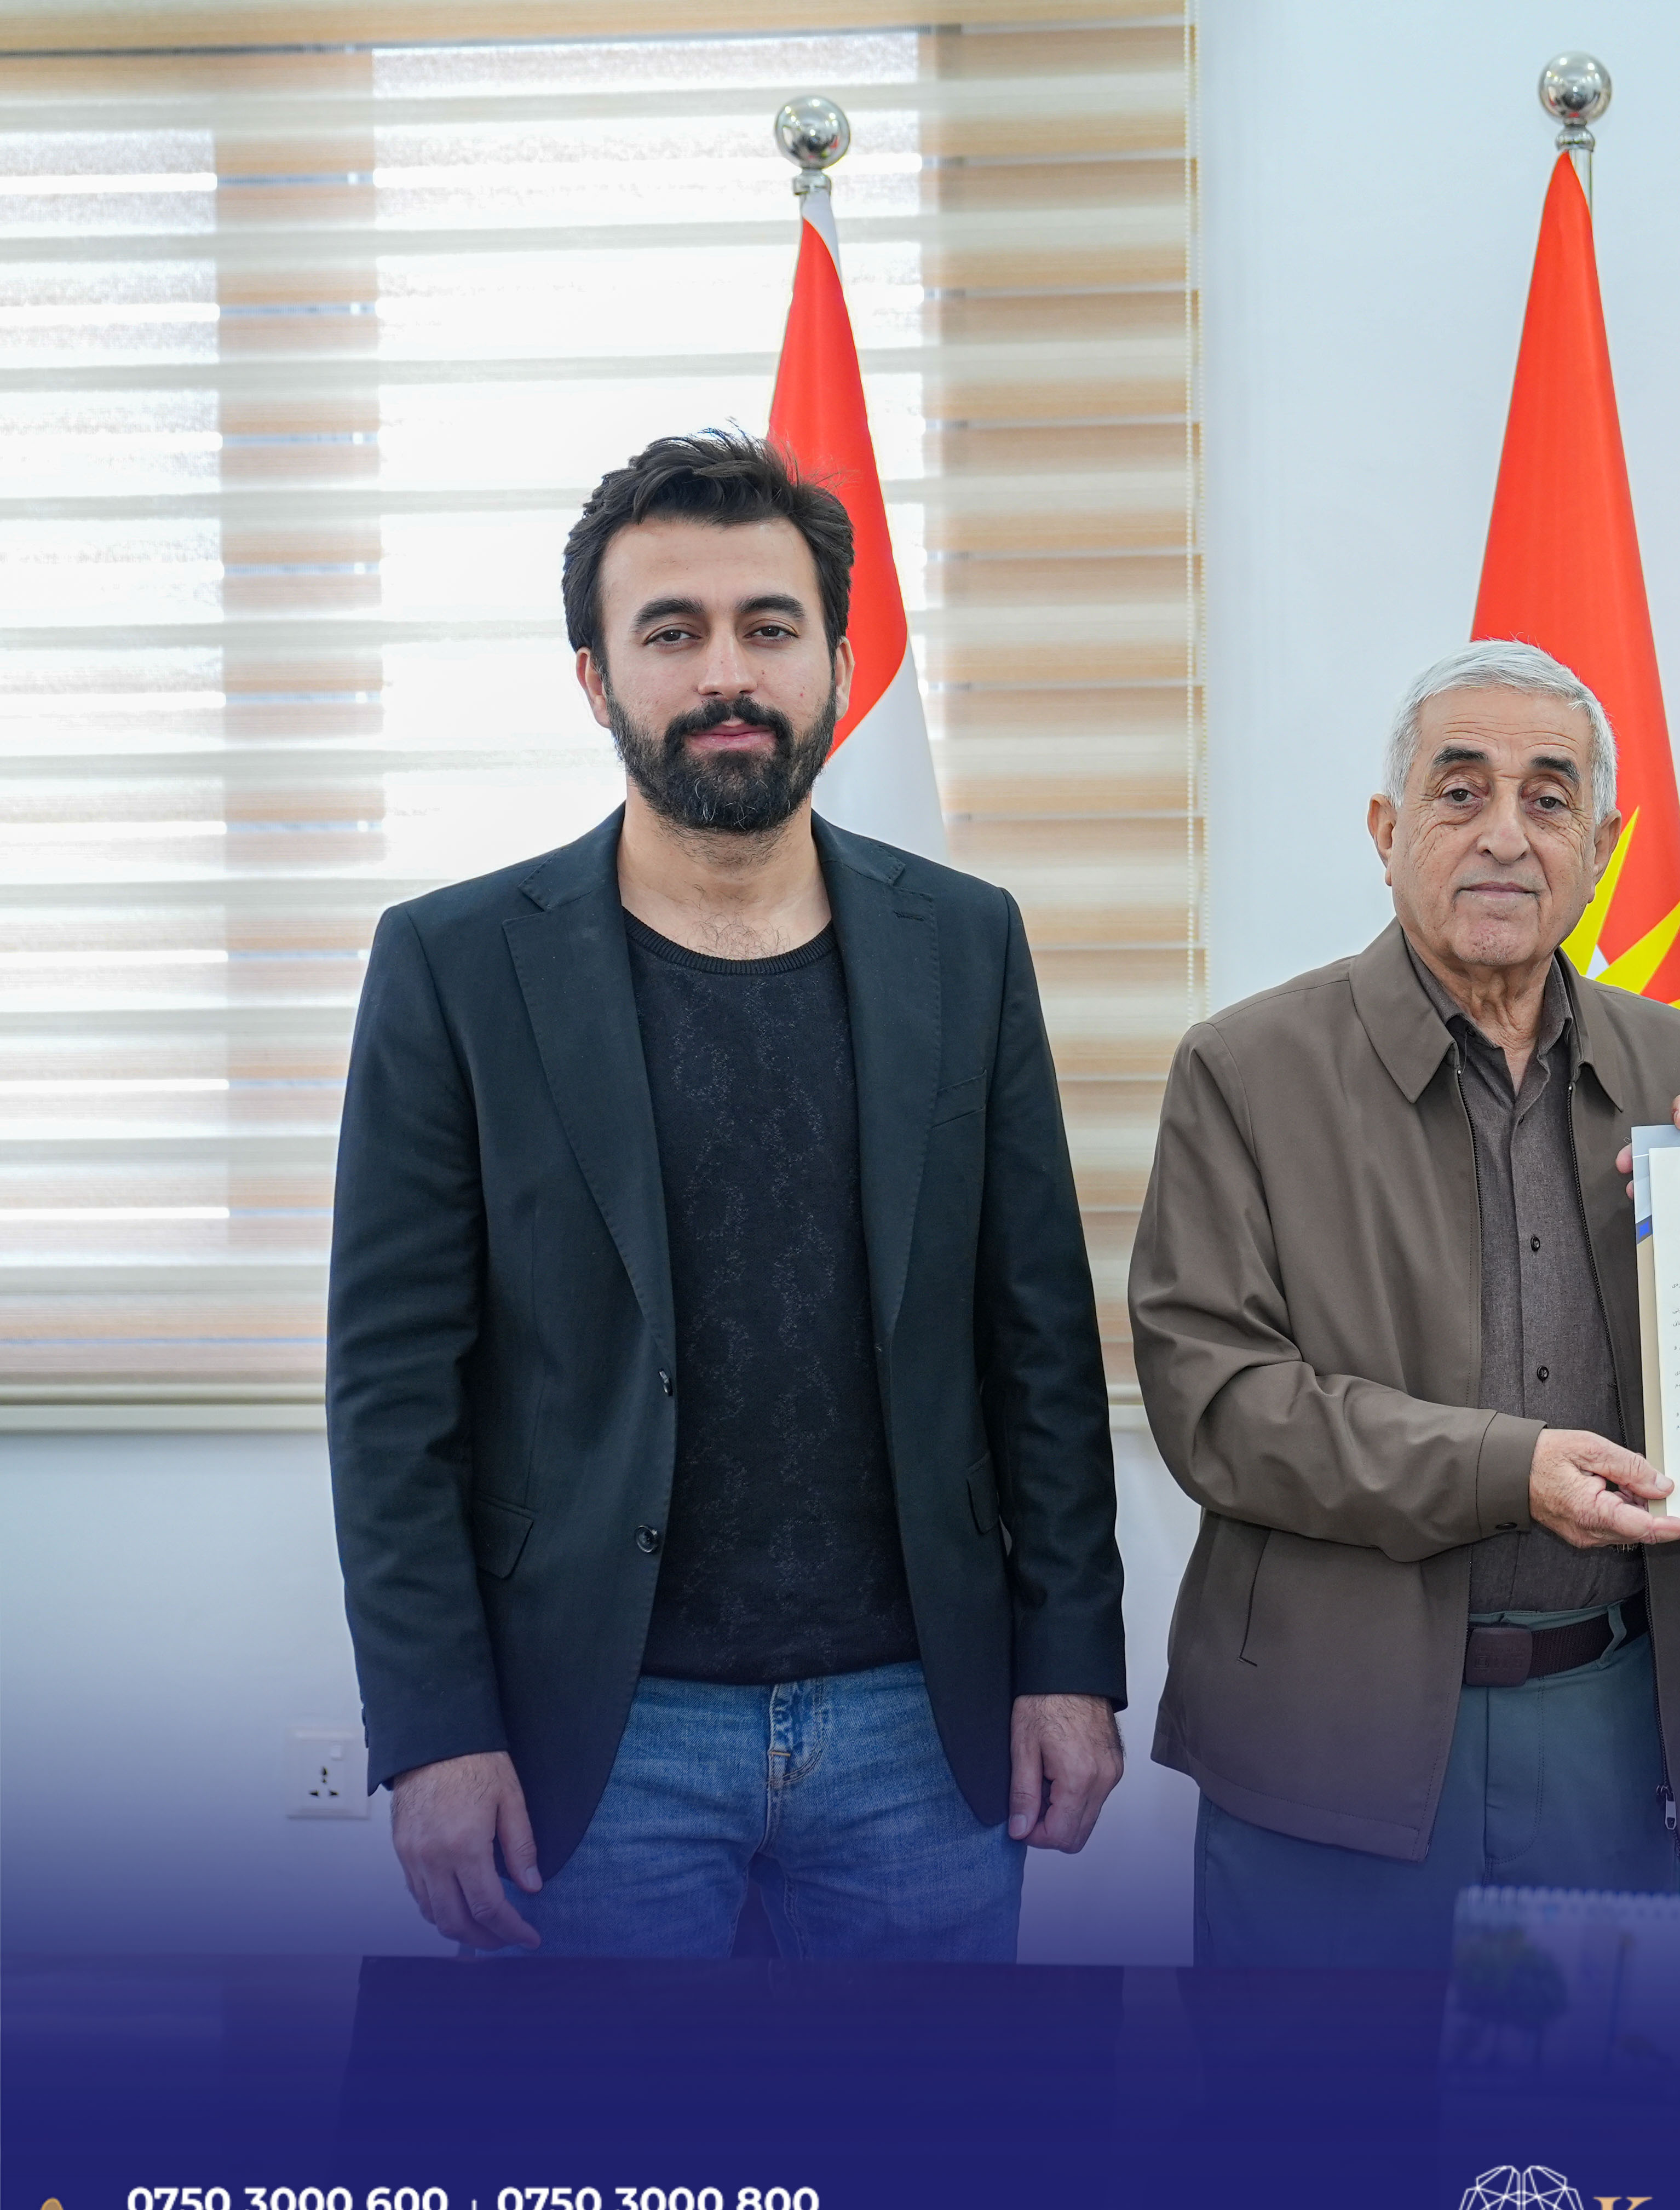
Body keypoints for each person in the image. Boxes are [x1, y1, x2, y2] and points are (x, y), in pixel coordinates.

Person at [326, 429, 1126, 1959]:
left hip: (922, 1723)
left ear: (839, 661)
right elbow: (391, 1394)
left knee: (938, 2127)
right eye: (671, 632)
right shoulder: (453, 966)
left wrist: (1072, 1659)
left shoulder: (967, 944)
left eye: (769, 626)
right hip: (593, 1734)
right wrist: (434, 1733)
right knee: (621, 2134)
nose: (726, 675)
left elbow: (1037, 1338)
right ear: (594, 678)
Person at [1130, 642, 1680, 1968]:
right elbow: (1220, 1407)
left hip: (1610, 1729)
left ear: (1600, 844)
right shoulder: (1245, 1068)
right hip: (1329, 1739)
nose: (1505, 834)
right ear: (1386, 828)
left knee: (1589, 2110)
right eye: (1460, 791)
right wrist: (1506, 1469)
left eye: (1549, 798)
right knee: (1318, 2108)